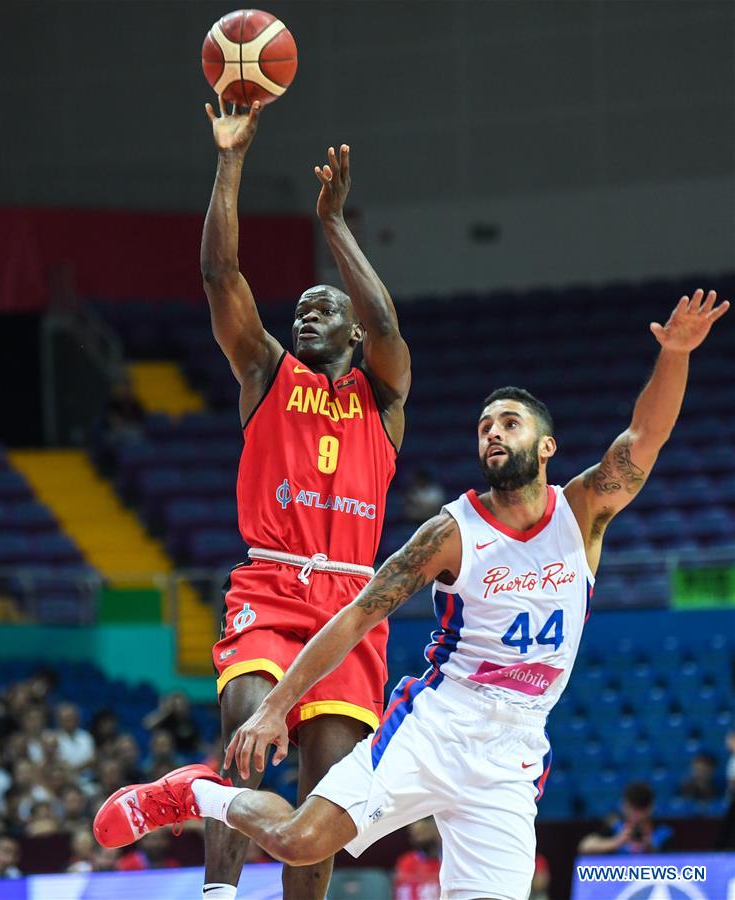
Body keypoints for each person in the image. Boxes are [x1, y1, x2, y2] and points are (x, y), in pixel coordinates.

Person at [94, 291, 727, 900]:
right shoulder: (452, 532)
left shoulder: (583, 512)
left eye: (510, 423)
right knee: (299, 841)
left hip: (513, 754)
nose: (494, 434)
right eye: (484, 426)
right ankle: (194, 793)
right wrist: (273, 707)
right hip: (437, 724)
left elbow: (646, 436)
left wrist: (675, 354)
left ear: (547, 446)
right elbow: (354, 618)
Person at [195, 94, 410, 900]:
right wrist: (231, 157)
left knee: (326, 799)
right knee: (244, 733)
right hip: (273, 583)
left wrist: (335, 225)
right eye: (299, 311)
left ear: (351, 335)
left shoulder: (384, 402)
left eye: (323, 309)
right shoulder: (266, 374)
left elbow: (388, 325)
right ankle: (218, 892)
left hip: (352, 605)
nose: (305, 315)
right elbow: (221, 274)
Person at [578, 782, 673, 855]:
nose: (636, 815)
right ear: (624, 807)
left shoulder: (663, 831)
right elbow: (585, 846)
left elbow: (675, 861)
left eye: (641, 809)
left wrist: (651, 848)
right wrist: (617, 842)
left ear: (651, 808)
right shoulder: (615, 827)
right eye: (632, 809)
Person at [393, 817, 441, 900]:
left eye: (423, 832)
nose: (419, 838)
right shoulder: (406, 861)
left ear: (435, 831)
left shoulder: (449, 858)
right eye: (416, 835)